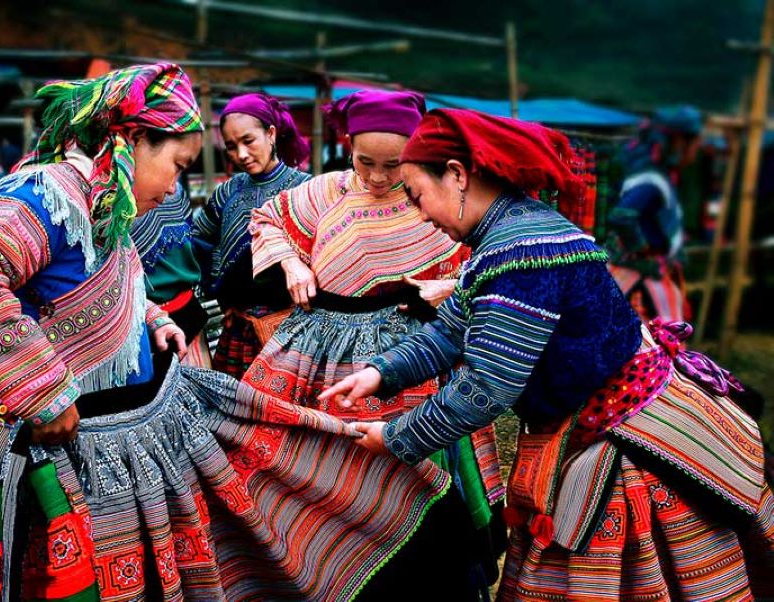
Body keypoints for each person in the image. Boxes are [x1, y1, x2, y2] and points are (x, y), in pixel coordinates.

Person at [0, 63, 447, 602]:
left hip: (119, 424)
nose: (177, 184)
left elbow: (100, 278)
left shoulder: (104, 200)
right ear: (131, 139)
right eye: (177, 165)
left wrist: (150, 317)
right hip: (69, 439)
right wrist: (40, 389)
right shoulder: (47, 190)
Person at [321, 108, 774, 600]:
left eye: (417, 194)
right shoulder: (514, 233)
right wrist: (377, 374)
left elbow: (487, 388)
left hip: (625, 436)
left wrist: (395, 436)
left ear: (455, 175)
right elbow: (450, 329)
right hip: (604, 412)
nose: (421, 212)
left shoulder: (518, 255)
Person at [248, 90, 503, 600]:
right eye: (366, 162)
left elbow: (483, 259)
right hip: (321, 349)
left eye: (395, 164)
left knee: (412, 465)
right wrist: (293, 263)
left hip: (412, 349)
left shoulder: (433, 195)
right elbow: (268, 219)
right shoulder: (325, 191)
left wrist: (449, 289)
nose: (380, 177)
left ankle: (418, 574)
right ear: (347, 145)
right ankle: (325, 564)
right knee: (319, 464)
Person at [192, 93, 311, 378]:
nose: (241, 155)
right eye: (231, 147)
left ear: (271, 134)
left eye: (248, 141)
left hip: (292, 328)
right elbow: (198, 240)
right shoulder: (228, 192)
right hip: (237, 327)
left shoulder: (306, 190)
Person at [607, 105, 702, 322]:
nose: (697, 149)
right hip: (640, 277)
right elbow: (621, 215)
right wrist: (642, 250)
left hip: (643, 274)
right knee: (657, 340)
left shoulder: (657, 177)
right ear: (679, 142)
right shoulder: (651, 180)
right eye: (695, 143)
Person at [131, 178, 211, 366]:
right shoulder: (109, 201)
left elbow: (196, 240)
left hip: (187, 315)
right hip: (139, 328)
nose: (171, 186)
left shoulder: (176, 193)